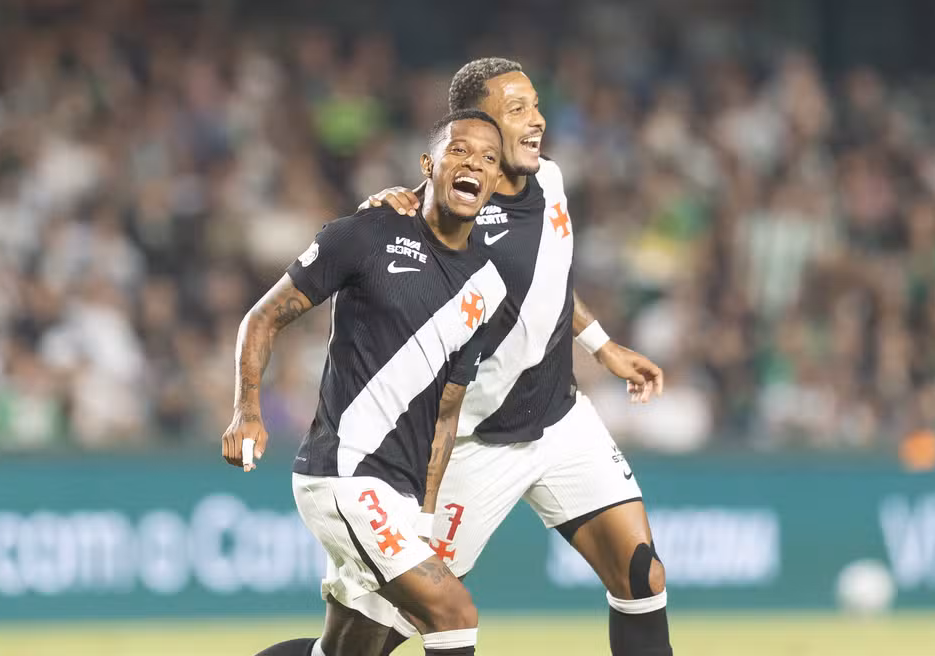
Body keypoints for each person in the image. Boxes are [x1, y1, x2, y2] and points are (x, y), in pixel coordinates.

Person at [366, 58, 673, 656]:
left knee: (642, 574)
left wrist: (602, 345)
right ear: (478, 126)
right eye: (517, 110)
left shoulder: (550, 178)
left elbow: (547, 279)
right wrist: (386, 209)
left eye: (535, 105)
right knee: (369, 638)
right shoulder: (444, 214)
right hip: (473, 443)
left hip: (561, 420)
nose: (537, 120)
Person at [222, 109, 508, 656]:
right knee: (453, 612)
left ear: (496, 181)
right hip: (343, 476)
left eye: (489, 158)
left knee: (350, 652)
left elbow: (447, 413)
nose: (474, 163)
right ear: (429, 164)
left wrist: (423, 516)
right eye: (459, 150)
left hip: (400, 493)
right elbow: (263, 317)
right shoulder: (368, 232)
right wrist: (247, 411)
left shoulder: (488, 288)